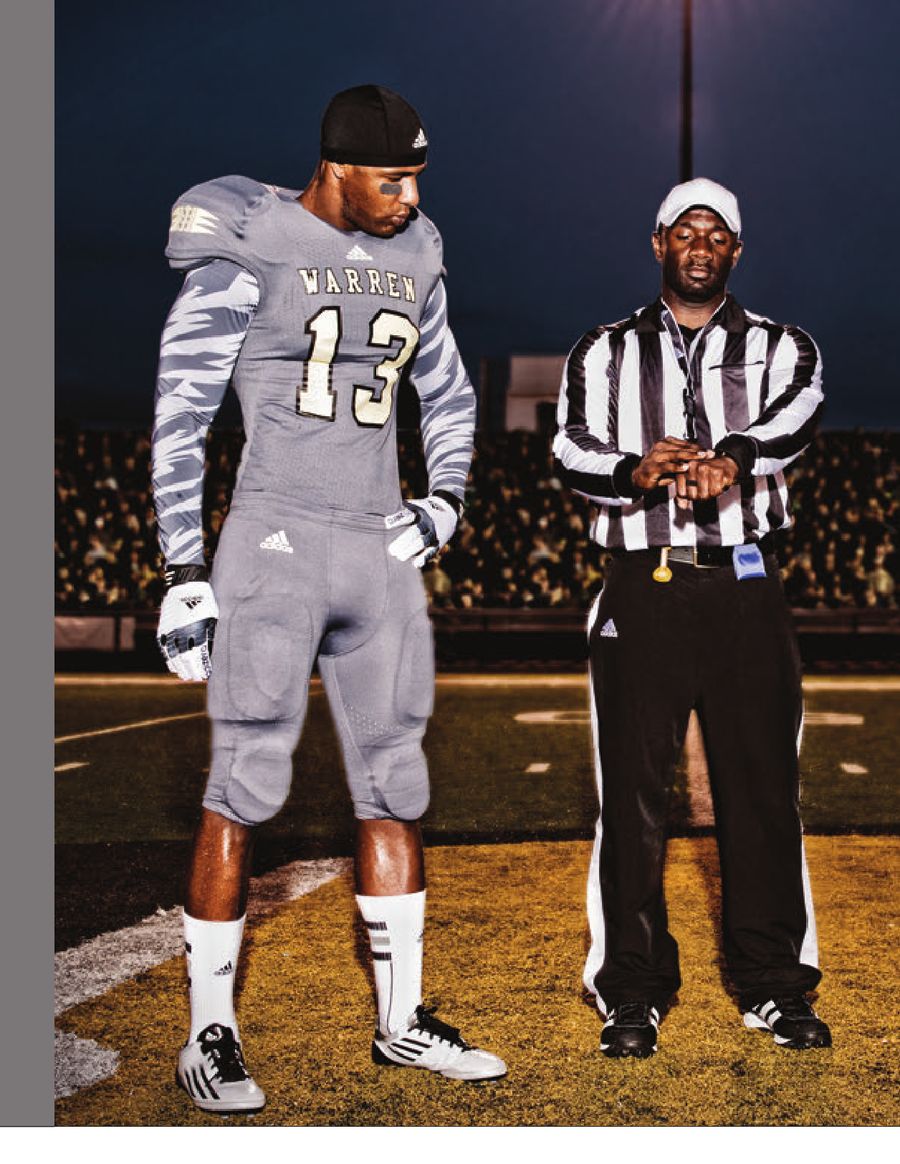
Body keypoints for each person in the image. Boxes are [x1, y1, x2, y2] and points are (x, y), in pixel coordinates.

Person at [152, 84, 506, 1115]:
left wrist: (444, 503)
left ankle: (401, 1022)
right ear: (337, 167)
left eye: (416, 180)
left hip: (377, 544)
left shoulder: (420, 250)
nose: (407, 197)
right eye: (390, 178)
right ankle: (207, 1032)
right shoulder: (251, 232)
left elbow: (446, 389)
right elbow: (181, 409)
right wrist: (181, 567)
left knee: (395, 785)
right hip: (273, 537)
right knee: (243, 784)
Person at [553, 177, 831, 1059]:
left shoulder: (784, 344)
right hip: (642, 584)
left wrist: (737, 456)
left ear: (736, 250)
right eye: (684, 231)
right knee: (632, 802)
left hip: (747, 586)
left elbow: (803, 410)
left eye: (716, 232)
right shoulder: (602, 349)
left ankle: (774, 984)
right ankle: (631, 988)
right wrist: (637, 468)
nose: (700, 244)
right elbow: (567, 443)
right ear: (658, 244)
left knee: (762, 795)